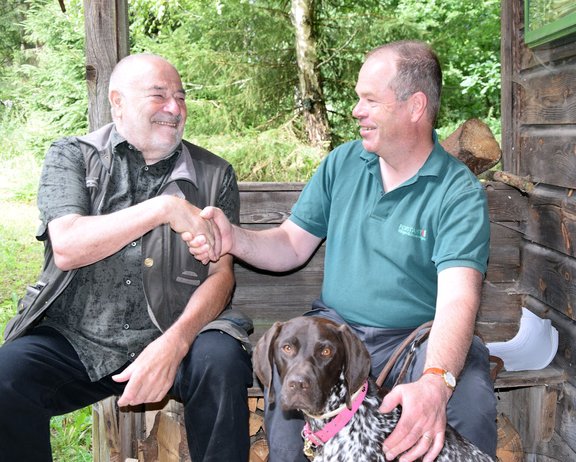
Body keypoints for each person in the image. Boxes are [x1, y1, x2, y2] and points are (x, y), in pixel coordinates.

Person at [188, 40, 497, 462]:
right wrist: (232, 238)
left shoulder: (457, 191)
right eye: (357, 98)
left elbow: (459, 297)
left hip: (416, 340)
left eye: (369, 100)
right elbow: (292, 244)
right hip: (333, 335)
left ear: (415, 106)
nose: (356, 110)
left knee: (469, 402)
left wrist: (435, 383)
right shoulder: (344, 163)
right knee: (288, 415)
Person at [0, 53, 253, 462]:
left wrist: (175, 343)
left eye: (180, 97)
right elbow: (67, 246)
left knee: (221, 363)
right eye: (159, 95)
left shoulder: (214, 174)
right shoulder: (72, 156)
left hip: (176, 335)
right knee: (5, 379)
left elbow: (221, 278)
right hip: (79, 338)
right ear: (117, 101)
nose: (175, 108)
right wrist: (164, 208)